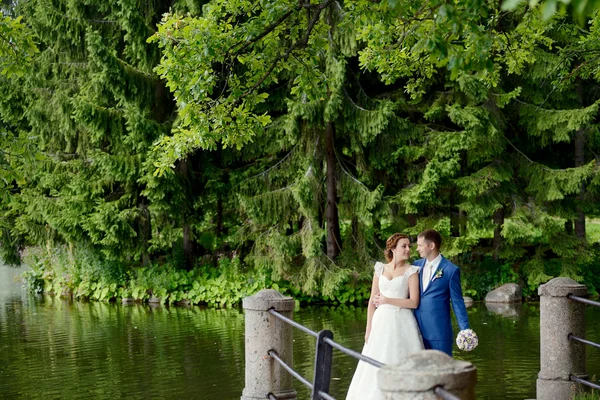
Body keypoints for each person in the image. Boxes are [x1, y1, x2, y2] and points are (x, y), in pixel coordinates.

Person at [346, 233, 424, 400]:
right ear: (393, 249)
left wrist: (387, 300)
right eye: (404, 246)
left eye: (409, 246)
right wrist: (368, 328)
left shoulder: (411, 271)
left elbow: (413, 302)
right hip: (380, 322)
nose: (408, 249)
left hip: (401, 320)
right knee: (375, 359)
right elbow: (372, 301)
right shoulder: (380, 268)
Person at [413, 229, 470, 357]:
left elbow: (457, 302)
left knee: (442, 373)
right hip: (416, 332)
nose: (417, 249)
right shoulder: (415, 266)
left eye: (420, 245)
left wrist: (465, 329)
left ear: (431, 246)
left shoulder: (451, 270)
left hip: (439, 333)